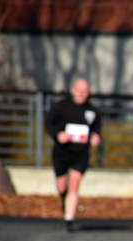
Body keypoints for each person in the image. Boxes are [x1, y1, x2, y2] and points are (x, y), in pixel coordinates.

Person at [44, 78, 101, 231]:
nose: (82, 94)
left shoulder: (92, 110)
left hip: (81, 154)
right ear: (72, 90)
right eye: (79, 90)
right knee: (62, 188)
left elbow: (96, 129)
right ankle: (64, 200)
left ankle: (69, 219)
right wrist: (58, 135)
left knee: (74, 184)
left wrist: (96, 137)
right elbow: (48, 123)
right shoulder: (61, 107)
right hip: (62, 153)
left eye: (85, 91)